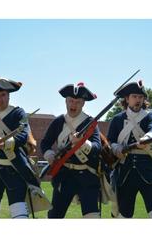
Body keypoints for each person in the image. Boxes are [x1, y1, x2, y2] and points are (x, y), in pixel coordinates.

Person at [0, 76, 51, 219]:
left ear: (9, 96)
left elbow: (23, 134)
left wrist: (5, 143)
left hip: (15, 170)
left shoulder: (18, 113)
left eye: (3, 95)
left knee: (19, 214)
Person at [40, 82, 102, 218]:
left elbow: (97, 148)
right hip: (64, 175)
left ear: (83, 103)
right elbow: (45, 143)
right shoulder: (58, 122)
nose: (73, 105)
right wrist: (49, 155)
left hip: (87, 175)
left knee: (92, 217)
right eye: (70, 101)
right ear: (66, 101)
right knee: (55, 216)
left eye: (78, 102)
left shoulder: (90, 123)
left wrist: (83, 142)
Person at [107, 80, 152, 218]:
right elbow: (111, 141)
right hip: (125, 172)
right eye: (134, 96)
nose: (138, 100)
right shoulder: (117, 119)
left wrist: (148, 137)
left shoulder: (150, 116)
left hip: (149, 171)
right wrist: (116, 149)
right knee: (124, 215)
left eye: (140, 97)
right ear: (127, 99)